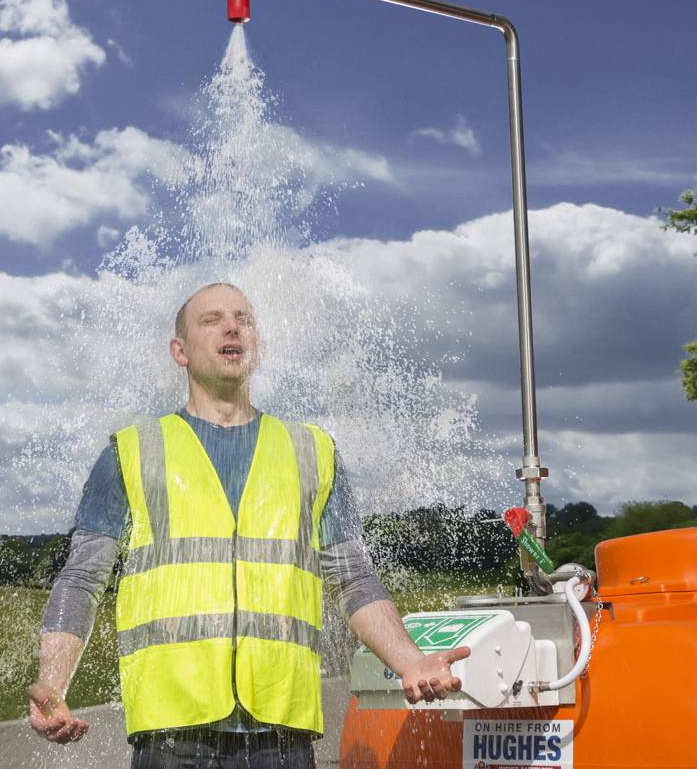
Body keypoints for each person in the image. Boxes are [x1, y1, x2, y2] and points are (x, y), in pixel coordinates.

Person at [28, 282, 469, 766]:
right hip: (171, 737)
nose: (232, 326)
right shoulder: (131, 452)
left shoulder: (313, 451)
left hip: (282, 738)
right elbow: (81, 579)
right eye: (211, 319)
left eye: (243, 318)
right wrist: (52, 682)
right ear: (180, 350)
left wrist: (409, 661)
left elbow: (353, 576)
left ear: (256, 346)